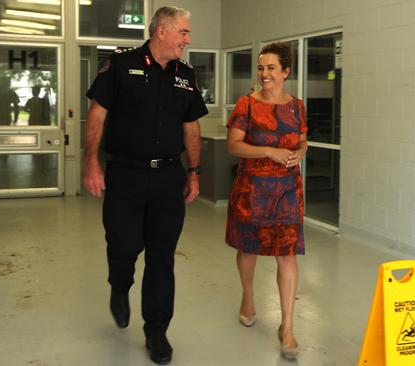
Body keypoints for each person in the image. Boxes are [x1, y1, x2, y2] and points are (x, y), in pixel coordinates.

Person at [83, 6, 207, 365]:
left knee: (161, 257)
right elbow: (97, 113)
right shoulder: (121, 64)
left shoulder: (185, 74)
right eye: (183, 32)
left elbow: (192, 126)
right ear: (162, 31)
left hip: (169, 177)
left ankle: (156, 330)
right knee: (123, 246)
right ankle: (119, 285)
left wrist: (195, 171)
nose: (187, 39)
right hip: (125, 175)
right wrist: (91, 160)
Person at [225, 42, 308, 360]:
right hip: (251, 191)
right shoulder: (246, 105)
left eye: (271, 68)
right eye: (261, 67)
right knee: (248, 248)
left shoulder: (297, 107)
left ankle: (287, 327)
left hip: (287, 192)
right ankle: (248, 297)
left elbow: (301, 139)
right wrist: (269, 151)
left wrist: (300, 152)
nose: (264, 74)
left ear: (286, 72)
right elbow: (234, 145)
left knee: (287, 256)